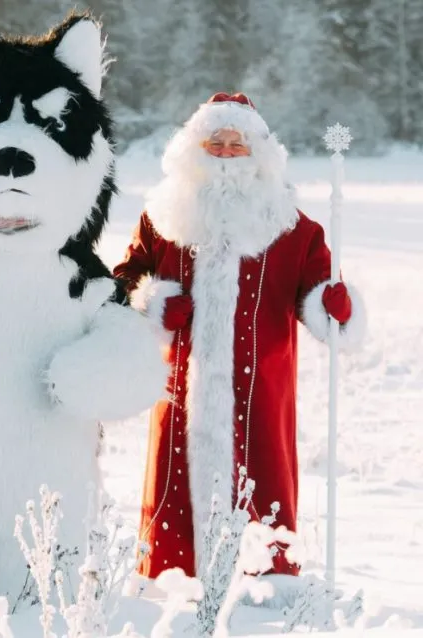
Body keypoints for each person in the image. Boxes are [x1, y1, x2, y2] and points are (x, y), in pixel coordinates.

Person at [112, 93, 366, 600]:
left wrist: (332, 304)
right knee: (174, 485)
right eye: (216, 142)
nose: (227, 152)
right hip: (181, 387)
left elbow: (318, 294)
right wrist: (153, 302)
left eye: (238, 143)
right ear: (194, 149)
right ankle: (171, 584)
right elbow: (124, 279)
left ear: (259, 153)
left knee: (262, 479)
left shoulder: (294, 228)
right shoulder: (163, 218)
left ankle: (265, 588)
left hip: (261, 390)